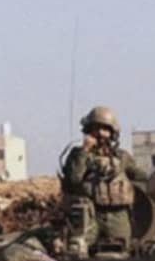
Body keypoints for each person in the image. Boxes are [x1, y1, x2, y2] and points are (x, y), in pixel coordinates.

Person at [60, 105, 147, 251]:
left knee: (121, 251)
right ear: (89, 130)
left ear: (112, 133)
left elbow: (140, 176)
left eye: (105, 129)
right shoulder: (78, 155)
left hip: (118, 215)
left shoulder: (122, 157)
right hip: (89, 215)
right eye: (96, 128)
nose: (100, 133)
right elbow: (74, 180)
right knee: (78, 250)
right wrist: (84, 151)